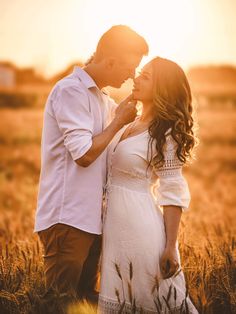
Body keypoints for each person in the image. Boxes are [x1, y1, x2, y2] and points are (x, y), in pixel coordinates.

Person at [34, 25, 148, 302]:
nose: (131, 75)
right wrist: (118, 121)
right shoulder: (70, 92)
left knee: (84, 301)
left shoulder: (103, 99)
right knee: (59, 303)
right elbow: (84, 155)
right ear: (109, 61)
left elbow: (107, 154)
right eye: (130, 67)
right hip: (67, 220)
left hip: (92, 222)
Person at [98, 57, 199, 313]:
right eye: (139, 73)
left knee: (150, 301)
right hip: (114, 231)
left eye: (146, 76)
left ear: (162, 87)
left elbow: (172, 189)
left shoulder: (164, 133)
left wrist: (170, 247)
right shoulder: (127, 124)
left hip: (141, 231)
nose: (136, 78)